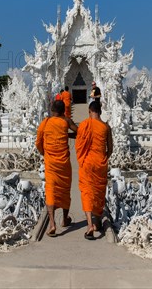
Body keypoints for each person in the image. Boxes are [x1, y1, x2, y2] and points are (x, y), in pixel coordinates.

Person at [35, 100, 78, 237]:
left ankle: (52, 224)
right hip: (64, 163)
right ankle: (65, 220)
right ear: (64, 110)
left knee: (51, 190)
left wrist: (44, 153)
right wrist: (67, 133)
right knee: (65, 190)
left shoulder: (46, 122)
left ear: (51, 109)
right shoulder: (66, 121)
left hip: (51, 163)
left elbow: (38, 142)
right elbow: (79, 132)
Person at [75, 101, 113, 240]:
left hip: (87, 163)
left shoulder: (84, 125)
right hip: (100, 163)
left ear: (89, 111)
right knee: (98, 192)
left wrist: (85, 158)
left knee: (87, 192)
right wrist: (103, 158)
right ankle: (97, 223)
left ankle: (90, 225)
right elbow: (111, 149)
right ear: (100, 111)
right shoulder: (105, 127)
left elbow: (79, 145)